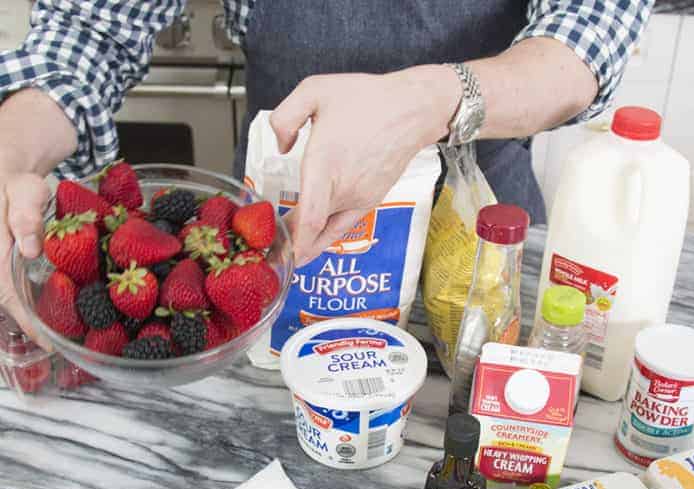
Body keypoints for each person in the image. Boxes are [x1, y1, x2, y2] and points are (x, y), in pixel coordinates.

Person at [0, 0, 652, 336]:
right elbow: (91, 30)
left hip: (476, 243)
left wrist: (429, 102)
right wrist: (8, 157)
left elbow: (581, 46)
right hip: (271, 226)